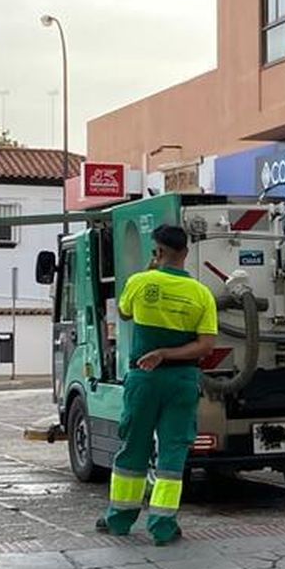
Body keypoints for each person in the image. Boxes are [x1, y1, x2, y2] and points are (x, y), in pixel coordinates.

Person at [97, 223, 218, 545]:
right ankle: (162, 526)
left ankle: (119, 519)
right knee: (172, 453)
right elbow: (206, 346)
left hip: (144, 379)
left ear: (158, 252)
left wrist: (150, 271)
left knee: (133, 447)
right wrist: (167, 353)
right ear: (186, 252)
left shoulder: (139, 282)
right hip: (182, 380)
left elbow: (124, 313)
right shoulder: (201, 293)